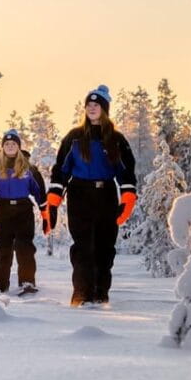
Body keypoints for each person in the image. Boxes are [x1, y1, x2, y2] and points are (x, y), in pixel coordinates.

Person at [47, 85, 137, 307]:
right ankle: (81, 293)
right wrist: (54, 199)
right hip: (79, 194)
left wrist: (127, 196)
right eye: (89, 105)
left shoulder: (116, 139)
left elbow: (126, 170)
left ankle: (100, 293)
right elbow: (61, 169)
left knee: (105, 246)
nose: (92, 108)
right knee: (83, 245)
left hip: (106, 194)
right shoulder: (75, 137)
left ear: (104, 109)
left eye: (96, 105)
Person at [0, 129, 50, 296]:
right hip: (2, 210)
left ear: (18, 147)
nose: (10, 146)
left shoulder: (29, 168)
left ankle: (27, 283)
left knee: (25, 248)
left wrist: (45, 212)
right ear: (3, 147)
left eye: (13, 144)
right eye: (7, 144)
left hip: (23, 209)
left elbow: (39, 191)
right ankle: (0, 286)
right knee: (3, 249)